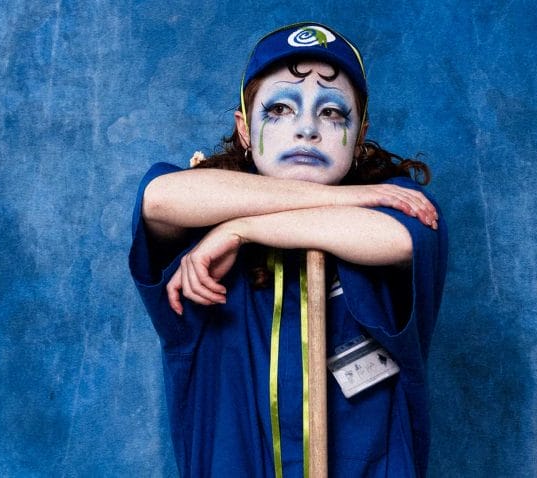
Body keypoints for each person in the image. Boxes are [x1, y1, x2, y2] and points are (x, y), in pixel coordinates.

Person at [129, 22, 448, 478]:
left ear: (360, 135)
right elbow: (159, 199)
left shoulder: (397, 206)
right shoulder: (197, 223)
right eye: (279, 108)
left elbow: (397, 240)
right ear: (244, 128)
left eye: (332, 113)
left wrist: (241, 230)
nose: (307, 130)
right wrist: (346, 195)